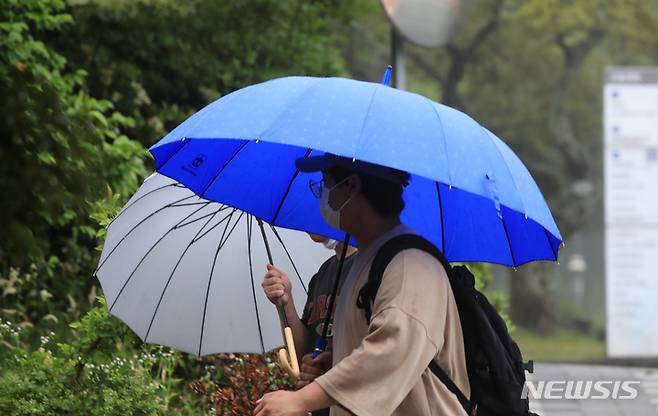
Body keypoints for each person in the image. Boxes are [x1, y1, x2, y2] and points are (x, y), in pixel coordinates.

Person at [254, 154, 470, 416]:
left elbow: (389, 353)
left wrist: (301, 401)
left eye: (325, 185)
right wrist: (334, 362)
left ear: (351, 187)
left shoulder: (409, 265)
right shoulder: (369, 261)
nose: (322, 197)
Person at [262, 233, 357, 416]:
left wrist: (299, 401)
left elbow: (376, 357)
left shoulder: (370, 269)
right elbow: (304, 355)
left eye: (319, 203)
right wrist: (286, 304)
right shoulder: (322, 274)